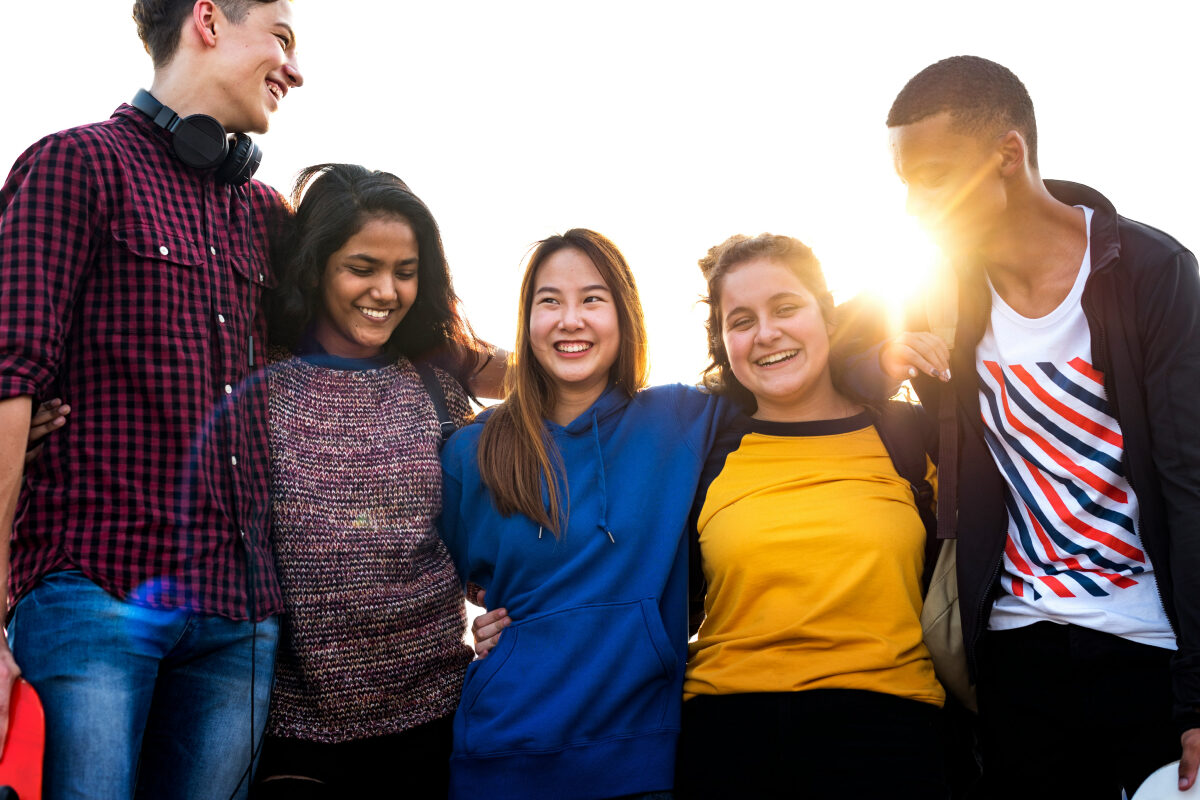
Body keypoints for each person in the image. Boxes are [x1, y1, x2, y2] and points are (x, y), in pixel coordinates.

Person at [0, 1, 302, 796]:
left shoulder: (269, 216)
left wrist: (547, 364)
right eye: (281, 38)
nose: (295, 69)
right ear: (208, 19)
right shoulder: (75, 165)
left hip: (239, 618)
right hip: (92, 597)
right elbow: (7, 383)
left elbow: (388, 329)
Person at [879, 55, 1200, 798]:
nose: (913, 208)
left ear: (1008, 155)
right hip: (1016, 652)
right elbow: (829, 346)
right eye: (905, 183)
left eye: (931, 176)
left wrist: (1196, 697)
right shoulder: (938, 288)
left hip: (1147, 648)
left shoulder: (1149, 271)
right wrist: (883, 360)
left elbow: (1190, 485)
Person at [439, 229, 732, 800]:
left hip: (639, 756)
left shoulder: (683, 419)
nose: (570, 319)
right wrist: (473, 625)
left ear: (625, 317)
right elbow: (429, 583)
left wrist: (876, 359)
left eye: (592, 299)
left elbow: (787, 347)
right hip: (500, 757)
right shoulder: (470, 453)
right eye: (550, 301)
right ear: (528, 320)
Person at [251, 163, 499, 797]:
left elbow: (490, 534)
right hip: (294, 725)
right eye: (362, 268)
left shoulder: (437, 387)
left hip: (434, 718)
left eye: (406, 272)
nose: (386, 290)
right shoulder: (261, 382)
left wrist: (503, 615)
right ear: (316, 267)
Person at [675, 233, 948, 798]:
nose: (766, 333)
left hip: (895, 737)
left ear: (827, 318)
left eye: (786, 308)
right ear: (724, 344)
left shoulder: (910, 436)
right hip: (727, 740)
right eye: (741, 320)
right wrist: (518, 621)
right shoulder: (703, 454)